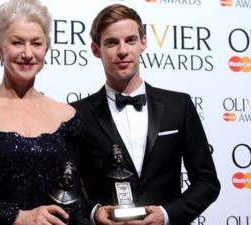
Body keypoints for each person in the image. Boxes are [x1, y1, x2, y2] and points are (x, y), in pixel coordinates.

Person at [0, 0, 89, 224]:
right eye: (17, 43)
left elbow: (73, 194)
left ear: (46, 49)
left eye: (36, 43)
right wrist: (18, 216)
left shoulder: (67, 116)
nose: (28, 53)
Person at [71, 4, 220, 225]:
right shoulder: (77, 114)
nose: (122, 50)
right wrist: (93, 213)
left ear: (143, 42)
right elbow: (66, 186)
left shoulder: (179, 105)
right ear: (95, 49)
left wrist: (166, 214)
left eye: (130, 40)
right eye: (112, 42)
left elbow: (207, 182)